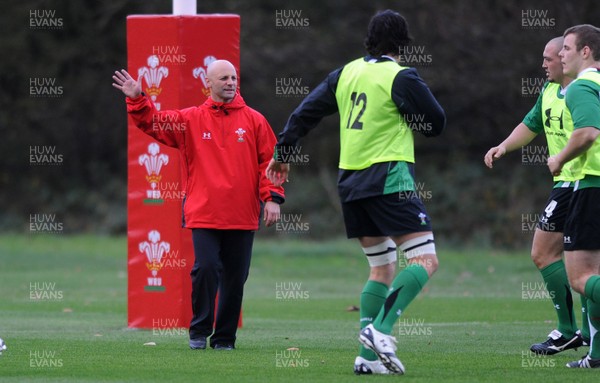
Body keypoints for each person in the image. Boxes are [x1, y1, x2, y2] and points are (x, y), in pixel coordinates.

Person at [266, 9, 445, 375]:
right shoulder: (400, 76)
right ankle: (380, 330)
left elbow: (304, 113)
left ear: (369, 39)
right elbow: (436, 123)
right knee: (425, 259)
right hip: (388, 178)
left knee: (381, 268)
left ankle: (366, 359)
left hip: (350, 183)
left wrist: (283, 152)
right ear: (402, 44)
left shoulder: (345, 73)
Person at [112, 60, 285, 351]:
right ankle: (199, 330)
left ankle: (224, 339)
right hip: (204, 212)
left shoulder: (255, 120)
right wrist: (137, 99)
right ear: (209, 84)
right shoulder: (190, 119)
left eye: (233, 77)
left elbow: (270, 163)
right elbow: (154, 123)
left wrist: (273, 198)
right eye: (224, 78)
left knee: (235, 278)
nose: (231, 82)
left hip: (242, 214)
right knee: (205, 268)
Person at [484, 37, 589, 355]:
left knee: (551, 254)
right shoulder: (547, 92)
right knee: (577, 261)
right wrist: (503, 146)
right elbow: (530, 125)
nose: (543, 64)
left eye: (548, 58)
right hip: (566, 185)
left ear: (565, 58)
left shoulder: (583, 92)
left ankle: (572, 331)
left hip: (583, 182)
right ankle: (579, 332)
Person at [547, 24, 600, 369]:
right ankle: (596, 356)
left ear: (585, 52)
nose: (560, 54)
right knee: (594, 272)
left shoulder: (581, 86)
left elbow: (587, 133)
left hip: (592, 184)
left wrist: (559, 158)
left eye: (566, 48)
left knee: (579, 277)